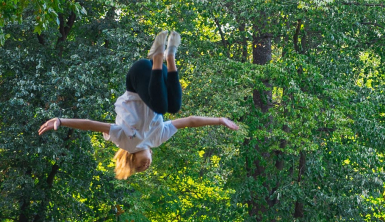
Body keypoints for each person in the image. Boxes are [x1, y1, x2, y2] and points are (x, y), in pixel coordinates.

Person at [38, 31, 239, 179]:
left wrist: (61, 120)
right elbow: (190, 121)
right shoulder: (159, 138)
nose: (145, 166)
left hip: (137, 78)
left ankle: (158, 57)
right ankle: (169, 57)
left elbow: (91, 124)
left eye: (139, 168)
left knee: (161, 107)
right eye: (147, 167)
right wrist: (219, 120)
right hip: (154, 80)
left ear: (131, 158)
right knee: (174, 106)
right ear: (151, 153)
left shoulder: (123, 141)